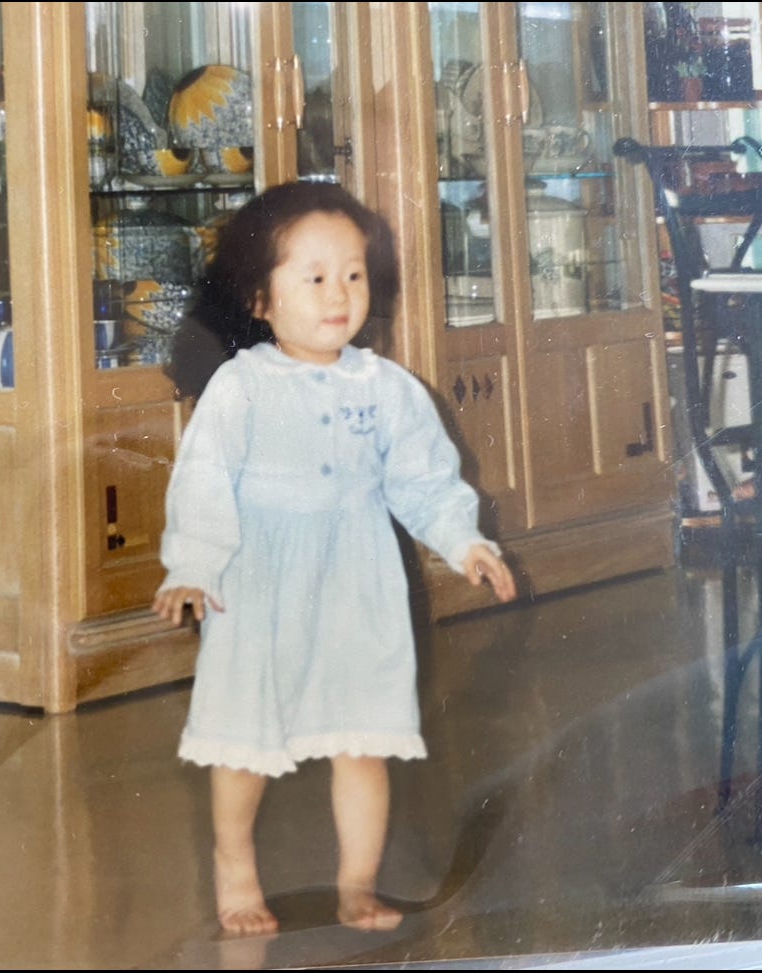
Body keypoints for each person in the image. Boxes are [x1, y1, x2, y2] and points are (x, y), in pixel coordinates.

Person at [152, 180, 516, 938]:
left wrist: (464, 541)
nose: (338, 294)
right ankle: (235, 864)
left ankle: (356, 883)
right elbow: (203, 481)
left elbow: (423, 478)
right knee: (246, 736)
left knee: (363, 735)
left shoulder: (387, 388)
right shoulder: (240, 386)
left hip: (357, 578)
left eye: (352, 274)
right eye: (314, 277)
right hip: (259, 582)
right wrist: (192, 565)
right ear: (261, 298)